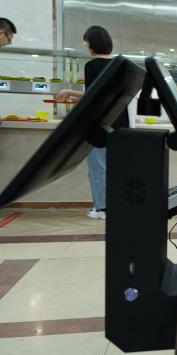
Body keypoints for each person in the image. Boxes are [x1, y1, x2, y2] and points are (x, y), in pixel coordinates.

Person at [55, 26, 129, 220]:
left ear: (91, 44)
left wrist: (69, 93)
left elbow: (93, 96)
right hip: (120, 123)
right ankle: (118, 205)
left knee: (98, 166)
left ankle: (102, 208)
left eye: (86, 42)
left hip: (99, 124)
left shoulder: (93, 65)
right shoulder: (121, 65)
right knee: (118, 166)